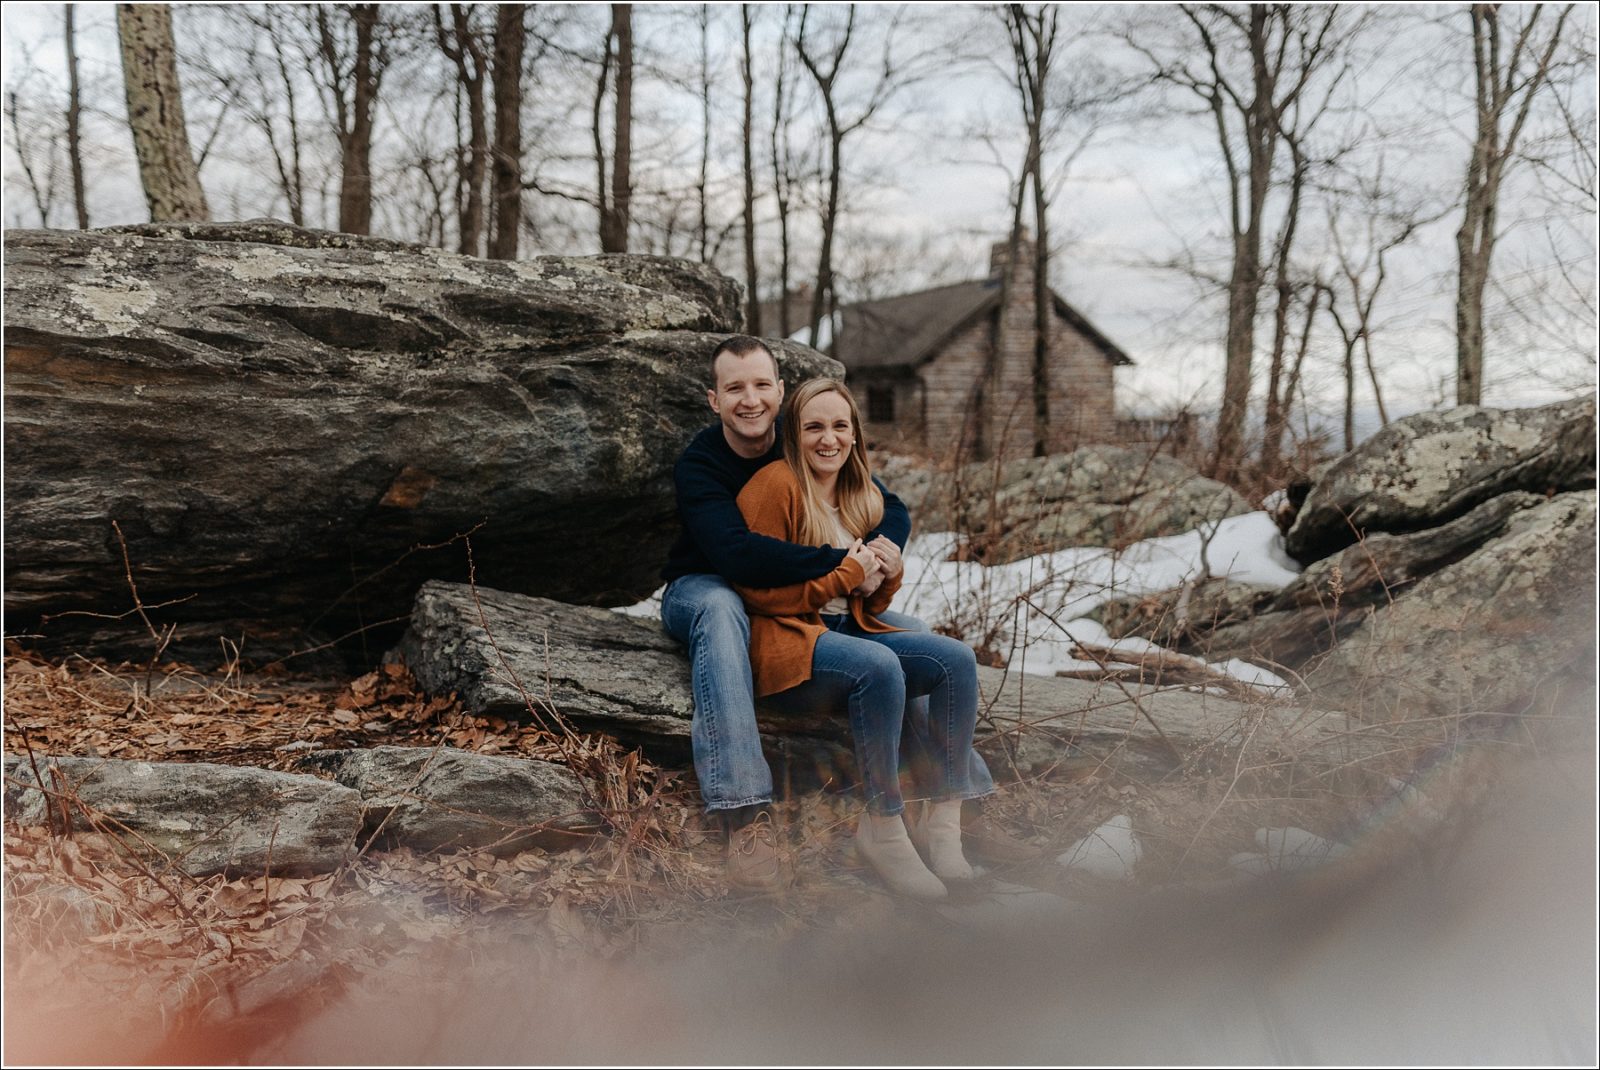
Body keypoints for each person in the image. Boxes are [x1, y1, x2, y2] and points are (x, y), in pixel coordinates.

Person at [658, 336, 1033, 895]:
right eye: (735, 388)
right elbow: (737, 557)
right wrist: (845, 564)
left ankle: (953, 806)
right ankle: (743, 810)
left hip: (814, 595)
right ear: (715, 400)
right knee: (723, 610)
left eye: (762, 385)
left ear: (781, 393)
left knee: (927, 643)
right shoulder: (704, 464)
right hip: (710, 581)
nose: (750, 399)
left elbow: (890, 507)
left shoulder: (804, 442)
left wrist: (883, 555)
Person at [734, 377, 991, 900]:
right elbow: (754, 590)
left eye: (838, 426)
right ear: (793, 434)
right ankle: (883, 824)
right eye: (813, 427)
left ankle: (941, 827)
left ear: (854, 434)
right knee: (879, 666)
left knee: (955, 661)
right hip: (791, 643)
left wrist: (887, 575)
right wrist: (842, 577)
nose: (827, 439)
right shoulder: (774, 486)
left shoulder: (861, 493)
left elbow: (865, 604)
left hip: (850, 631)